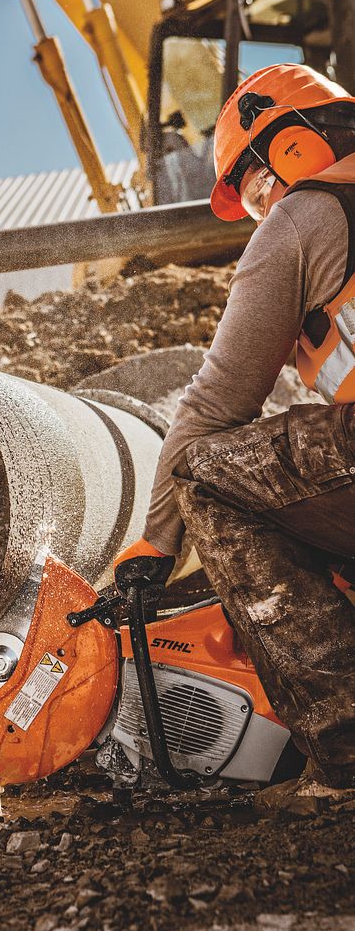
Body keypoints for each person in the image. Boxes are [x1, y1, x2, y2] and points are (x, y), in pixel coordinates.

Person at [113, 63, 355, 794]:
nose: (263, 207)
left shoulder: (307, 213)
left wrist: (156, 542)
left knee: (205, 472)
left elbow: (217, 407)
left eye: (255, 187)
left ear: (294, 147)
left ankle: (346, 738)